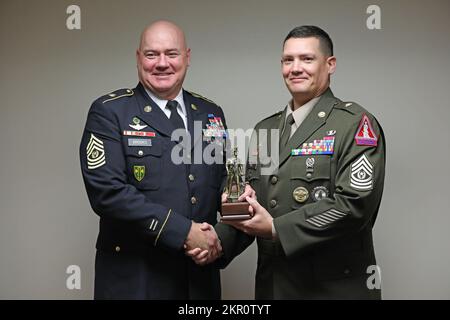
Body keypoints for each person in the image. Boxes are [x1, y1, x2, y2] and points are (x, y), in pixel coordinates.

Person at [189, 25, 386, 299]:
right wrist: (216, 242)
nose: (295, 68)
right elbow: (253, 205)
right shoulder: (266, 130)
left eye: (307, 59)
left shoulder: (354, 125)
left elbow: (353, 206)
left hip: (332, 289)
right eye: (288, 60)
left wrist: (275, 228)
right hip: (275, 286)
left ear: (330, 65)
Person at [79, 20, 225, 299]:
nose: (162, 63)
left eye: (171, 54)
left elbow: (222, 184)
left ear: (187, 57)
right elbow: (107, 193)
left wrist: (223, 238)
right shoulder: (110, 112)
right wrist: (184, 232)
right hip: (136, 280)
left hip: (198, 281)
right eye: (151, 54)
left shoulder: (210, 114)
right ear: (138, 58)